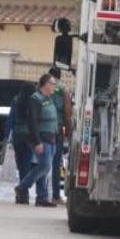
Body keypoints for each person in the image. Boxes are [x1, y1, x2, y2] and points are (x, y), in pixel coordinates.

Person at [14, 73, 57, 207]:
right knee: (45, 165)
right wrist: (37, 141)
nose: (54, 86)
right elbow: (32, 121)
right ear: (45, 84)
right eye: (52, 83)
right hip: (42, 138)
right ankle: (22, 187)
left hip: (51, 138)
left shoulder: (48, 98)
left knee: (44, 168)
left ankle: (42, 197)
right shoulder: (35, 99)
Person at [47, 66, 73, 203]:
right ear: (60, 76)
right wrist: (68, 129)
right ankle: (55, 196)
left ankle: (42, 194)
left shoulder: (43, 86)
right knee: (56, 162)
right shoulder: (63, 89)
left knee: (42, 162)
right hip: (56, 129)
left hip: (42, 128)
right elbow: (67, 110)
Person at [6, 81, 36, 190]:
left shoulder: (16, 100)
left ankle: (22, 187)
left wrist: (7, 134)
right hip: (30, 136)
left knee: (20, 163)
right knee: (28, 163)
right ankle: (24, 189)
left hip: (17, 136)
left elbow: (10, 118)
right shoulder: (35, 101)